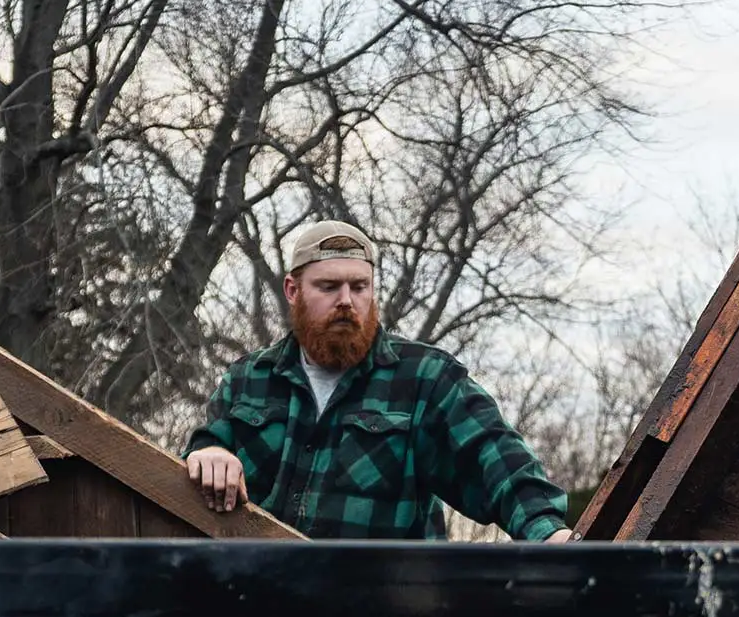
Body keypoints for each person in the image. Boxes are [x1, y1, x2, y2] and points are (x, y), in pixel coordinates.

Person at [184, 220, 577, 541]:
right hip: (262, 610)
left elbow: (493, 456)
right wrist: (208, 451)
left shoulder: (424, 379)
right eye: (328, 286)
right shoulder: (249, 380)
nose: (346, 301)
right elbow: (208, 445)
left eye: (359, 287)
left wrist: (549, 533)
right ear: (293, 290)